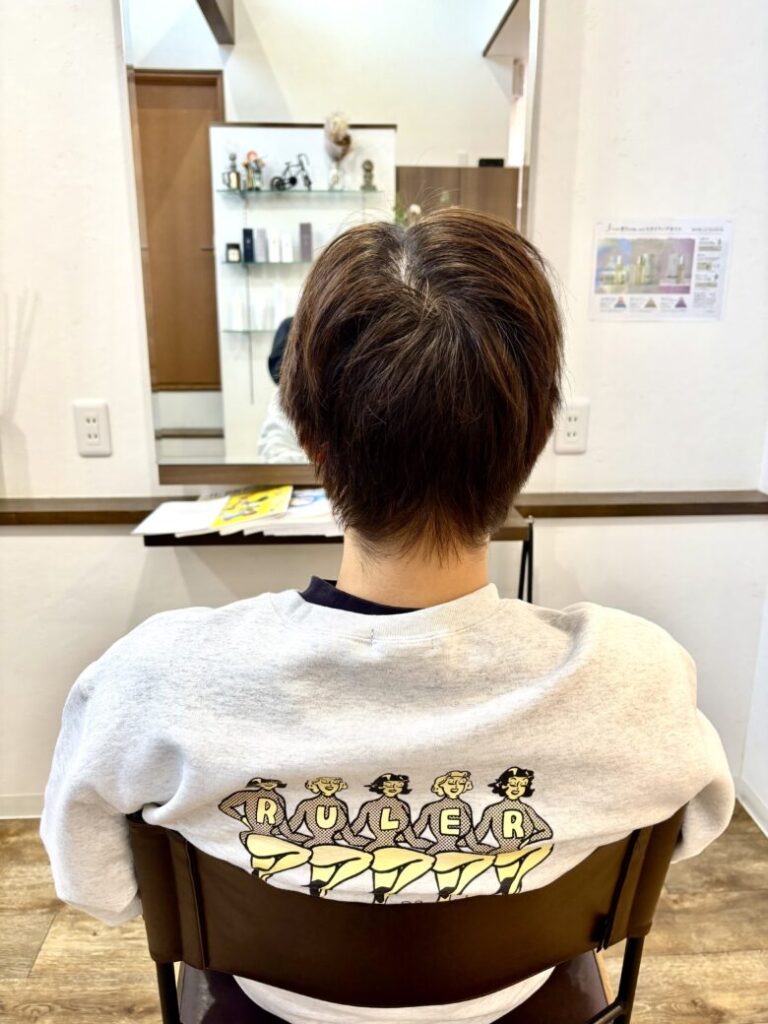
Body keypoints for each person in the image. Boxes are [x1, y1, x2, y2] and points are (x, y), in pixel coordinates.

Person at [40, 209, 734, 1024]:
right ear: (535, 437)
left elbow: (99, 885)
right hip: (520, 1000)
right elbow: (689, 830)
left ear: (309, 437)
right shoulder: (636, 676)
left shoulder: (153, 679)